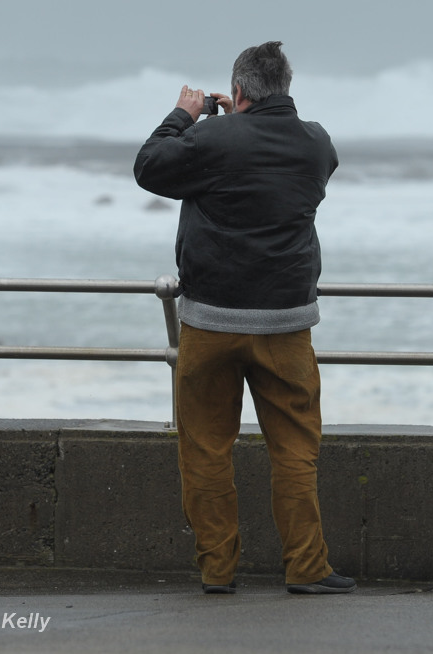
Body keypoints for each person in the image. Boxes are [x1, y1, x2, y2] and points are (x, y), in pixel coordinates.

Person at [133, 41, 354, 595]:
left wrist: (186, 115)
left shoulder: (210, 138)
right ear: (285, 87)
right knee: (295, 451)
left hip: (210, 323)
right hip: (285, 324)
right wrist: (239, 121)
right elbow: (276, 156)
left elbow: (150, 168)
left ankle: (217, 570)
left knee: (206, 448)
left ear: (236, 92)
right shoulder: (316, 143)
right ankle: (306, 568)